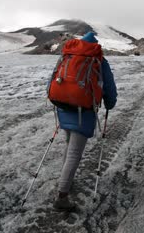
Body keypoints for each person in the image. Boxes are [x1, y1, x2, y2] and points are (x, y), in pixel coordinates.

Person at [51, 32, 118, 211]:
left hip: (63, 106)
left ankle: (65, 181)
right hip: (83, 111)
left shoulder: (67, 56)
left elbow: (53, 79)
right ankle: (62, 195)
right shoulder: (98, 60)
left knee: (68, 145)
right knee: (74, 153)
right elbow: (109, 87)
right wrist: (110, 103)